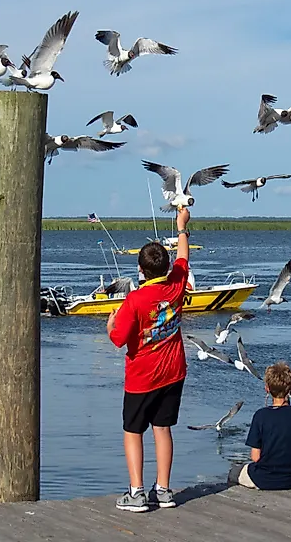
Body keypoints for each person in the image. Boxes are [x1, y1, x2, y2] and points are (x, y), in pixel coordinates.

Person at [108, 207, 192, 512]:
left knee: (133, 431)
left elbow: (118, 339)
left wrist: (110, 323)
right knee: (163, 429)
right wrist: (182, 227)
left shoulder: (134, 300)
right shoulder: (176, 285)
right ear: (166, 268)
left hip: (142, 377)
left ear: (140, 270)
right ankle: (164, 490)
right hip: (173, 373)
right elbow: (183, 258)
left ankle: (137, 492)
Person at [233, 362, 291, 490]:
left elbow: (255, 457)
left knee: (234, 472)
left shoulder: (260, 415)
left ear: (267, 389)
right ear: (290, 389)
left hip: (262, 479)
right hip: (290, 480)